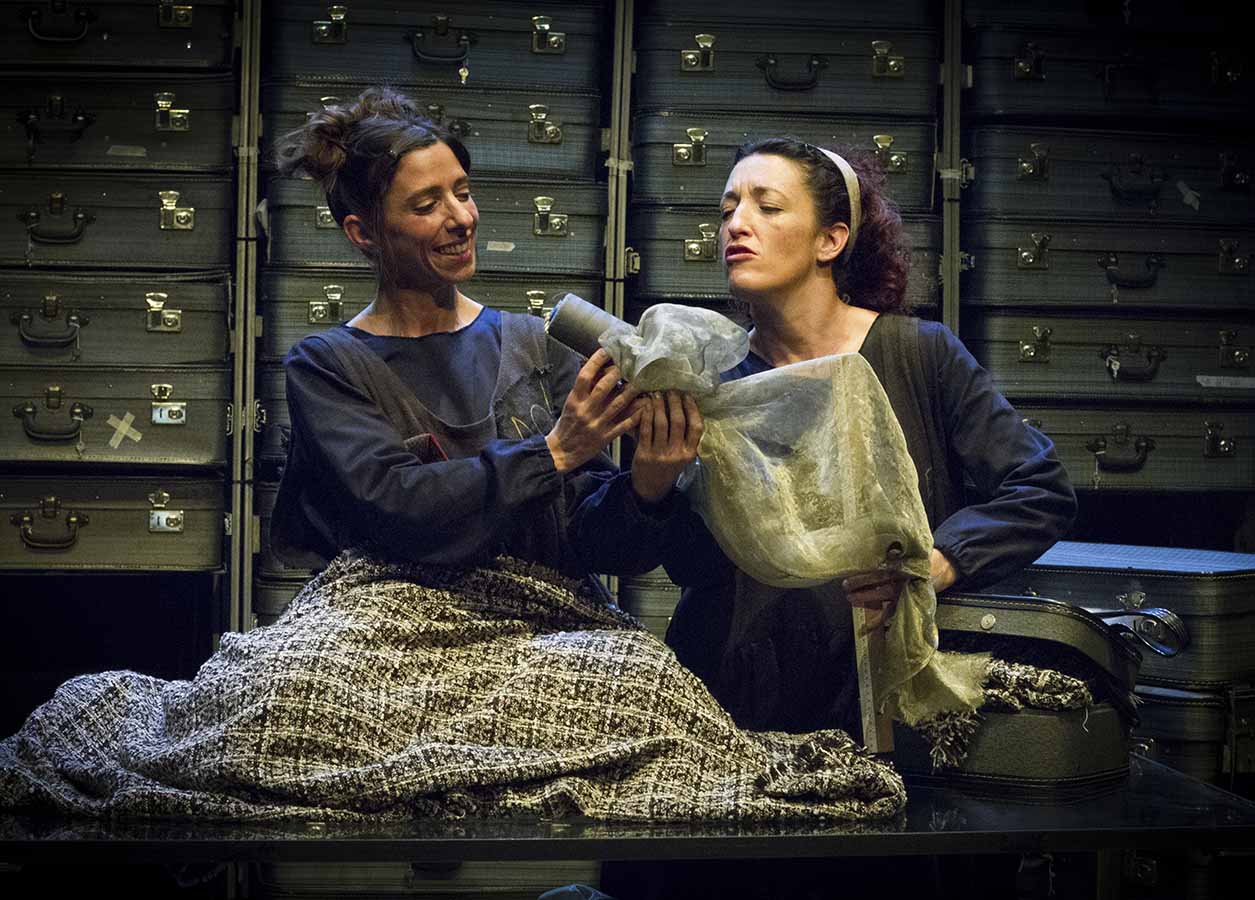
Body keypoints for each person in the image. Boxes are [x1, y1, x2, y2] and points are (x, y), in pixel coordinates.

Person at [647, 137, 1078, 738]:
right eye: (727, 210)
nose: (736, 225)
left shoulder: (918, 354)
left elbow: (1040, 489)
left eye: (767, 207)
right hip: (735, 707)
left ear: (831, 240)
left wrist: (939, 562)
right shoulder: (712, 382)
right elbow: (689, 564)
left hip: (877, 701)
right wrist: (656, 486)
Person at [268, 86, 703, 588]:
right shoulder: (327, 367)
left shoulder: (537, 347)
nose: (462, 219)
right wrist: (553, 452)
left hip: (539, 612)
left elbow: (595, 545)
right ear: (363, 233)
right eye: (427, 204)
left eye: (463, 192)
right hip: (383, 614)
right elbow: (397, 506)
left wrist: (649, 483)